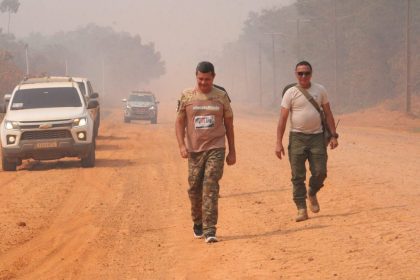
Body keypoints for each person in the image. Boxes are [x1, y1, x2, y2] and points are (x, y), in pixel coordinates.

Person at [175, 61, 236, 243]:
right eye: (200, 79)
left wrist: (232, 150)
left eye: (207, 79)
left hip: (216, 147)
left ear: (213, 77)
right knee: (194, 189)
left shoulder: (221, 96)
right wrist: (181, 145)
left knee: (210, 184)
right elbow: (179, 122)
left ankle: (210, 230)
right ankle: (198, 222)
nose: (203, 83)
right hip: (194, 150)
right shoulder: (187, 96)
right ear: (196, 76)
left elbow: (229, 125)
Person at [275, 61, 339, 222]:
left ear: (311, 73)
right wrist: (278, 142)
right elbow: (282, 119)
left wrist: (333, 135)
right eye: (300, 73)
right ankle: (301, 209)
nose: (303, 76)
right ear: (295, 74)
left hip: (317, 137)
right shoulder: (290, 93)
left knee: (320, 172)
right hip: (297, 137)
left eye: (306, 73)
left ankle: (312, 191)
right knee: (297, 176)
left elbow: (328, 113)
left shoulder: (320, 90)